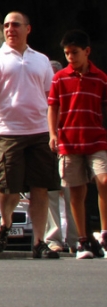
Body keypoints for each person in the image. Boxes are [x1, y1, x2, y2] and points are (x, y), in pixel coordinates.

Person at [0, 11, 60, 258]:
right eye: (6, 25)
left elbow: (50, 97)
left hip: (39, 131)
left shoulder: (41, 60)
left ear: (28, 29)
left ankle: (38, 241)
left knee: (40, 188)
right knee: (8, 187)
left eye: (15, 25)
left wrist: (54, 130)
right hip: (9, 131)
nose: (10, 29)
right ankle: (5, 223)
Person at [47, 29, 107, 260]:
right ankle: (82, 240)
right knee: (76, 191)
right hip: (70, 141)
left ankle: (104, 232)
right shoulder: (60, 77)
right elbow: (53, 107)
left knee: (103, 179)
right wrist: (53, 134)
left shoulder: (100, 77)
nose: (70, 57)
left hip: (96, 138)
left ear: (87, 51)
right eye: (67, 53)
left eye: (75, 53)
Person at [45, 59, 78, 254]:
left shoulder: (68, 94)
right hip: (47, 148)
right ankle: (53, 240)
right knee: (50, 194)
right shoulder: (40, 97)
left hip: (68, 147)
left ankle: (75, 239)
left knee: (72, 193)